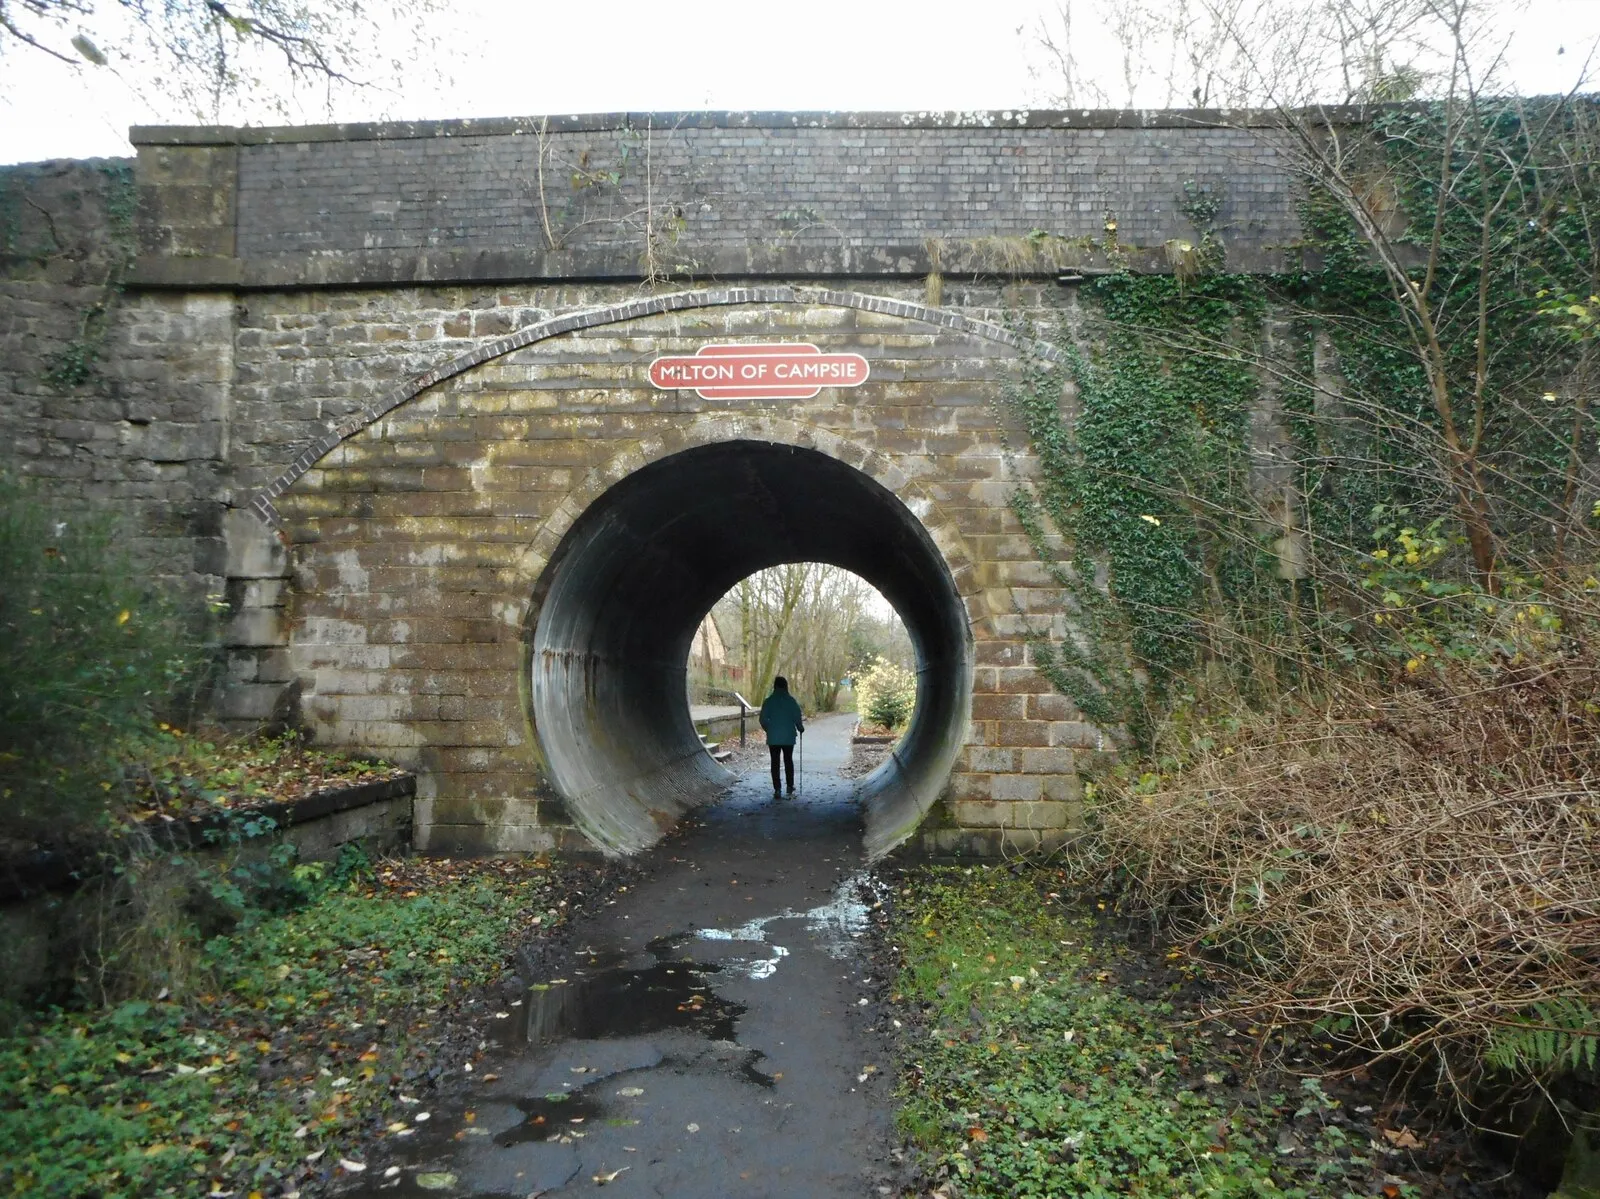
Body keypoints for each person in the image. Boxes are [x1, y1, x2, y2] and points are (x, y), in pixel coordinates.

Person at [758, 675, 804, 797]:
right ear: (786, 686)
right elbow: (797, 717)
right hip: (788, 736)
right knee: (788, 760)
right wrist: (800, 728)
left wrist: (769, 729)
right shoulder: (791, 701)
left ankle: (777, 789)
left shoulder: (768, 701)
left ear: (775, 686)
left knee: (775, 762)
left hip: (773, 737)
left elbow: (762, 719)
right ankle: (789, 786)